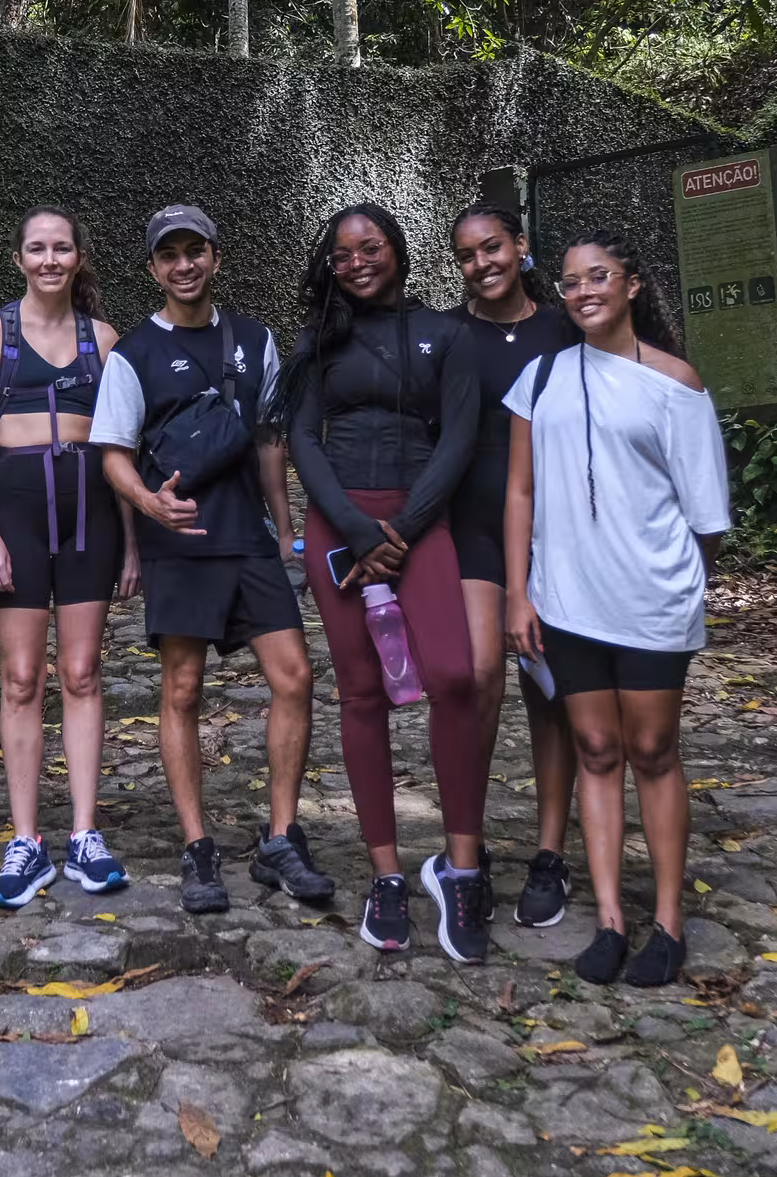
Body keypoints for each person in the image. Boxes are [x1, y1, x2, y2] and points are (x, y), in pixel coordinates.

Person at [93, 203, 333, 915]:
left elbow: (268, 441)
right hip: (182, 540)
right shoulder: (133, 353)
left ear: (216, 257)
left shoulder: (253, 340)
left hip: (248, 538)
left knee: (293, 677)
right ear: (153, 270)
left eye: (196, 250)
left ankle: (281, 838)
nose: (184, 265)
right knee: (182, 690)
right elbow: (111, 450)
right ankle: (197, 845)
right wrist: (146, 502)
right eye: (170, 255)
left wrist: (286, 533)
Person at [504, 230, 729, 987]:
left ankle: (666, 923)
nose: (582, 291)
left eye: (597, 276)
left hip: (652, 603)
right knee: (596, 752)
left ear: (631, 284)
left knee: (654, 752)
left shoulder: (676, 384)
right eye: (568, 282)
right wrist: (518, 591)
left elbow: (706, 519)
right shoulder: (540, 379)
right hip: (566, 604)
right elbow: (520, 493)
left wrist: (676, 592)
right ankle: (607, 919)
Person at [282, 203, 490, 964]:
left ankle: (459, 869)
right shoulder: (320, 339)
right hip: (342, 526)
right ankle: (387, 875)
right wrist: (356, 529)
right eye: (342, 254)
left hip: (420, 522)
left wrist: (401, 530)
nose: (357, 261)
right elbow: (303, 437)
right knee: (362, 693)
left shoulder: (448, 333)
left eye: (370, 247)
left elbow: (461, 437)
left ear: (398, 251)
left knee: (456, 677)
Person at [0, 207, 140, 907]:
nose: (49, 260)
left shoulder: (105, 340)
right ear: (18, 259)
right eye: (36, 248)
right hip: (17, 513)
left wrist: (130, 540)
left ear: (78, 257)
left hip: (92, 511)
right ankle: (26, 840)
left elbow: (120, 446)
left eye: (61, 248)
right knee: (20, 676)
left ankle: (85, 835)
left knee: (82, 671)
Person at [448, 203, 579, 928]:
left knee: (549, 689)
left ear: (520, 247)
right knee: (478, 677)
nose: (482, 263)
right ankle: (467, 846)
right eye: (467, 255)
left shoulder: (564, 327)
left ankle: (550, 856)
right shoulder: (446, 332)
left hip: (556, 531)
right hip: (471, 526)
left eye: (492, 247)